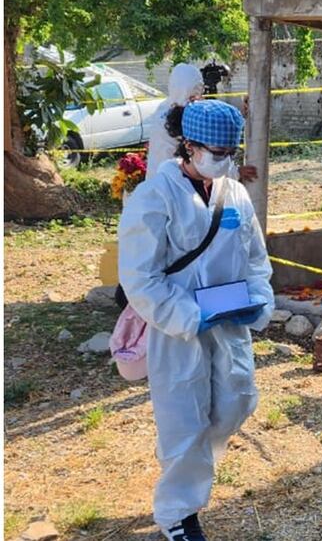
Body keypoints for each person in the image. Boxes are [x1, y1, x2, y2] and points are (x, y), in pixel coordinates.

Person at [118, 99, 274, 541]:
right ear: (188, 145)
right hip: (177, 331)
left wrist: (258, 300)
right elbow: (139, 276)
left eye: (230, 154)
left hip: (230, 323)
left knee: (238, 401)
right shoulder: (155, 195)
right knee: (183, 419)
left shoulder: (236, 194)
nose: (223, 161)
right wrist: (188, 314)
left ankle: (182, 461)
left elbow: (256, 260)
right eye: (215, 152)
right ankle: (177, 515)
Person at [147, 64, 256, 182]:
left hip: (159, 181)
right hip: (178, 185)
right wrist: (236, 173)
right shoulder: (184, 117)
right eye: (195, 93)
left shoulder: (164, 109)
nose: (200, 97)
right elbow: (209, 155)